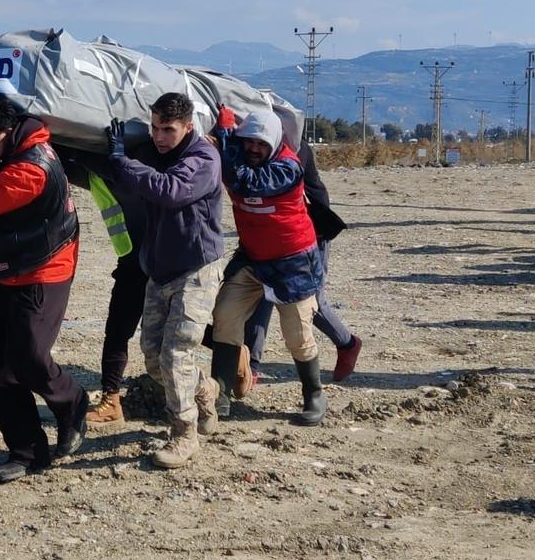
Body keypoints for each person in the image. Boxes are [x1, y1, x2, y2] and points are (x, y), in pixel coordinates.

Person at [0, 89, 88, 484]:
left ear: (7, 132)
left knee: (28, 357)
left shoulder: (33, 167)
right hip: (4, 267)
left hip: (45, 268)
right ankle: (27, 451)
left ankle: (72, 402)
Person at [104, 92, 226, 468]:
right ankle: (205, 390)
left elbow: (170, 191)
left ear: (188, 126)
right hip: (158, 269)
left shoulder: (203, 158)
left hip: (196, 270)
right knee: (154, 359)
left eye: (168, 129)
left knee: (176, 354)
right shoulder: (153, 153)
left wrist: (123, 160)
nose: (159, 136)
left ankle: (183, 434)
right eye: (154, 127)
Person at [210, 111, 328, 426]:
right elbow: (230, 163)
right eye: (247, 140)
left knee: (297, 334)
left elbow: (244, 182)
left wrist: (224, 136)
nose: (252, 148)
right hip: (252, 259)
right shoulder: (240, 156)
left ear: (274, 142)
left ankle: (314, 393)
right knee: (225, 316)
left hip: (293, 263)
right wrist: (225, 133)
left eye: (260, 143)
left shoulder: (287, 168)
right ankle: (220, 392)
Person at [243, 137, 362, 387]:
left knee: (311, 303)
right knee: (262, 295)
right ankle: (251, 366)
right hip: (270, 236)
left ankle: (347, 343)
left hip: (307, 235)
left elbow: (268, 181)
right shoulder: (252, 142)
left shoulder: (292, 146)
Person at [57, 147, 148, 426]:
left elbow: (107, 167)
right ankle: (111, 400)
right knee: (117, 331)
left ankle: (228, 347)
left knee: (177, 328)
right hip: (131, 262)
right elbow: (65, 163)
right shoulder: (93, 172)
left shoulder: (136, 167)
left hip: (162, 261)